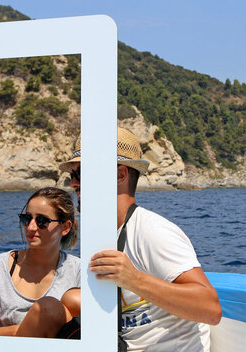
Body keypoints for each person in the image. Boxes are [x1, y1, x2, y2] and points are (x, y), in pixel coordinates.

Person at [59, 127, 222, 351]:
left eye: (81, 174)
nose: (73, 184)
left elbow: (210, 309)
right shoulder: (106, 235)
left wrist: (134, 280)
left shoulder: (152, 231)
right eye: (72, 175)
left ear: (119, 175)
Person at [0, 187, 80, 337]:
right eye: (26, 218)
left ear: (65, 227)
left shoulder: (78, 272)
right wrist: (31, 328)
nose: (31, 227)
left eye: (42, 221)